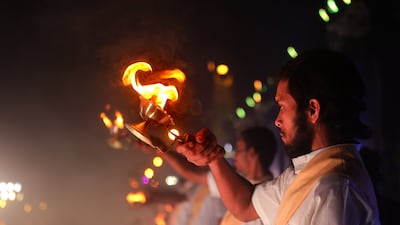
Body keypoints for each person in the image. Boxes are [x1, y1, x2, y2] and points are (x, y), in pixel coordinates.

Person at [175, 48, 381, 225]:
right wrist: (213, 158)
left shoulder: (334, 188)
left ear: (313, 110)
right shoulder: (307, 174)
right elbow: (245, 205)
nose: (277, 120)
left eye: (282, 107)